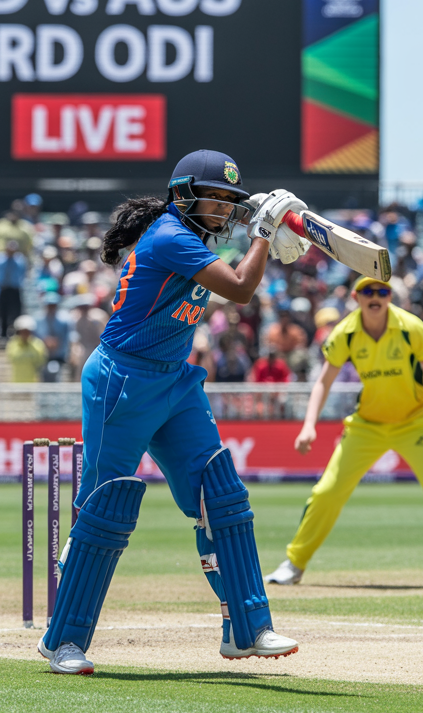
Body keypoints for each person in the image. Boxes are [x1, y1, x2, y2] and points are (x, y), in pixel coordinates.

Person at [39, 149, 305, 675]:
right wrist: (264, 234)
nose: (225, 208)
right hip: (122, 378)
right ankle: (62, 641)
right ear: (183, 194)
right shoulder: (170, 236)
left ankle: (247, 629)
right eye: (217, 198)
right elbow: (242, 290)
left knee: (220, 492)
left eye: (233, 200)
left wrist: (264, 229)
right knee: (105, 506)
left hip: (174, 379)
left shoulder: (191, 237)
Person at [265, 276, 423, 588]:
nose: (375, 296)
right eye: (367, 291)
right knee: (326, 492)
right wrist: (309, 425)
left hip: (415, 422)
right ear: (355, 297)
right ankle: (294, 565)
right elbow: (323, 381)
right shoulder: (345, 333)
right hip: (367, 425)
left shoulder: (411, 327)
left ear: (391, 296)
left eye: (382, 290)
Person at [0, 239, 26, 338]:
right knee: (1, 312)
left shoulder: (20, 259)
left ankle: (15, 333)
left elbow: (22, 274)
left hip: (15, 289)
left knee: (15, 312)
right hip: (2, 289)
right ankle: (2, 334)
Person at [35, 292, 71, 382]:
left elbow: (69, 337)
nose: (51, 307)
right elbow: (35, 337)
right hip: (42, 356)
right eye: (49, 305)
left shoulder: (64, 320)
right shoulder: (38, 320)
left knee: (58, 380)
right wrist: (44, 342)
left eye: (53, 305)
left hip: (59, 355)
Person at [6, 315, 46, 382]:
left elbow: (41, 364)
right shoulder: (12, 344)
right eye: (23, 331)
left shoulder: (38, 344)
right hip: (15, 384)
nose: (25, 333)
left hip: (33, 385)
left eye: (27, 331)